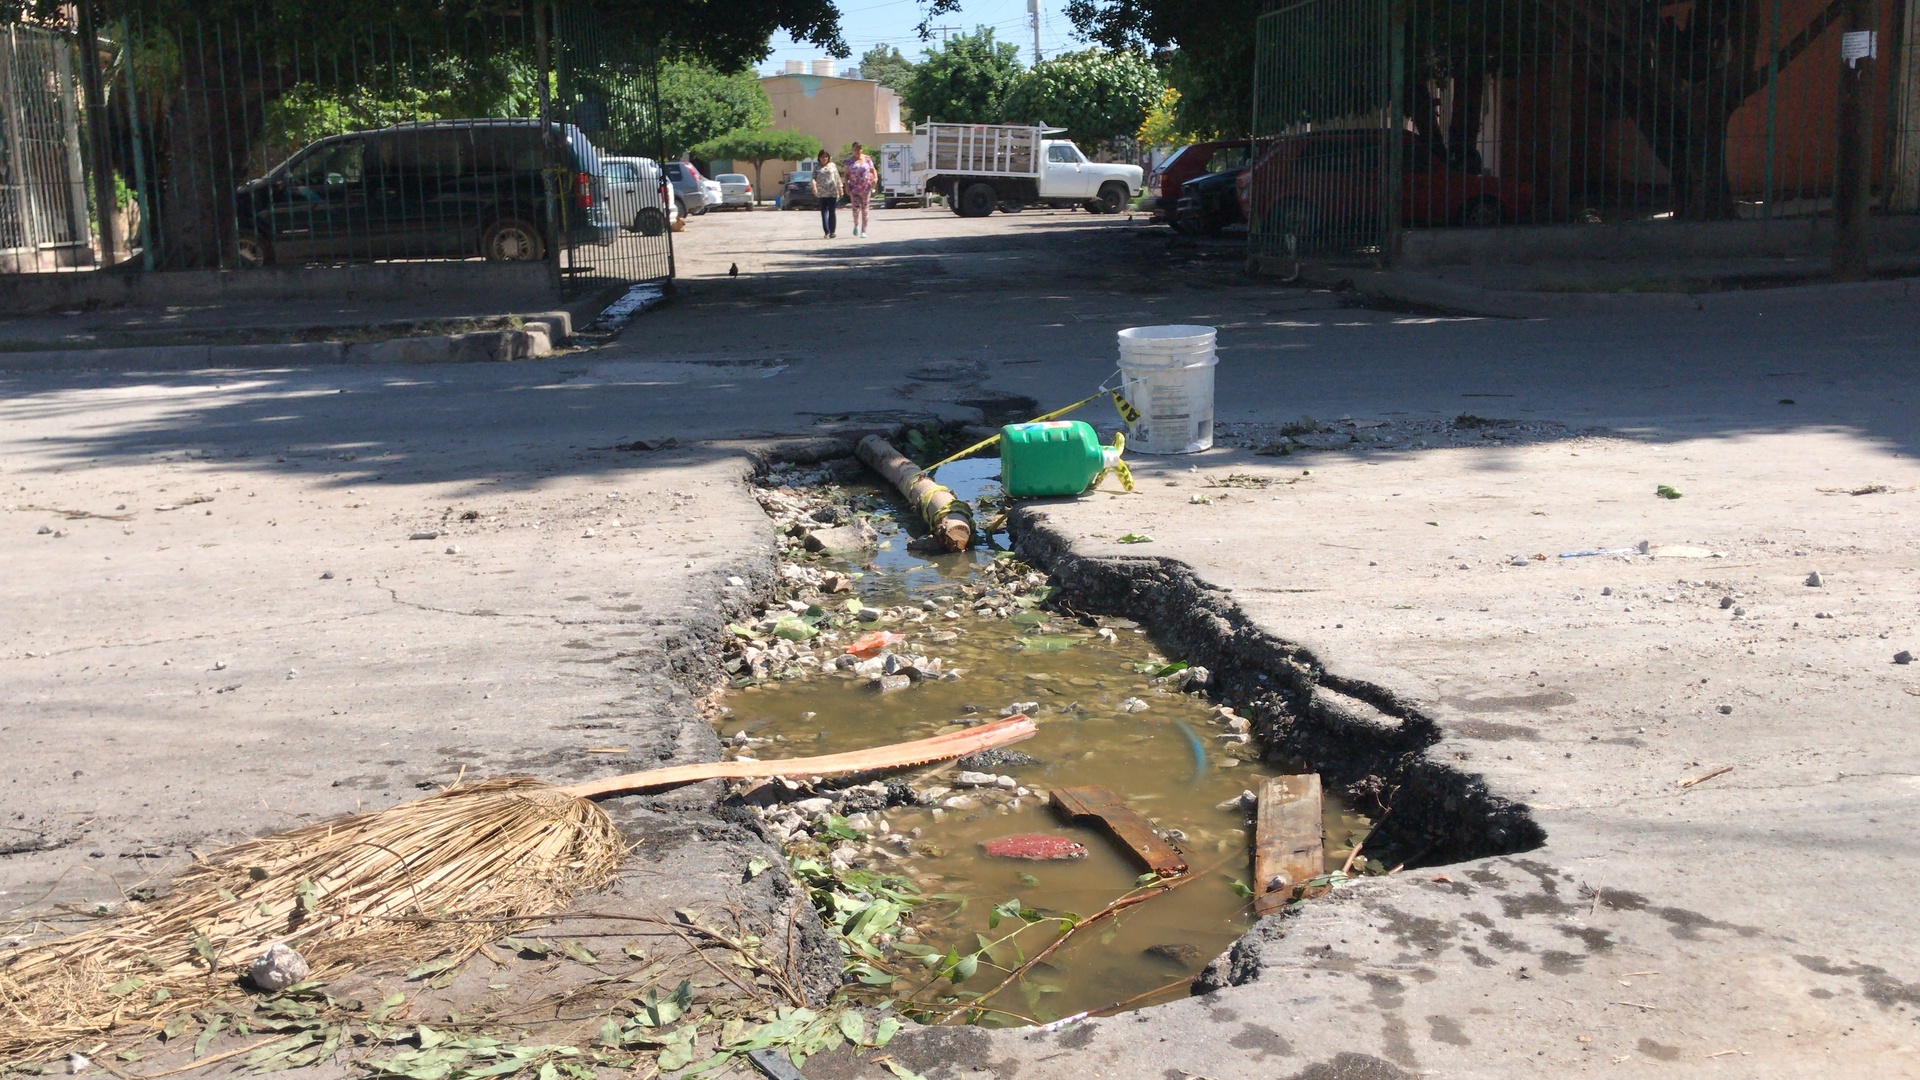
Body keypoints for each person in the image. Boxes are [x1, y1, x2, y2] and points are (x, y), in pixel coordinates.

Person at [845, 142, 876, 238]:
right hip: (854, 187)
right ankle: (856, 224)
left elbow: (873, 170)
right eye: (855, 149)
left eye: (859, 149)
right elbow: (846, 175)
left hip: (866, 187)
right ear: (852, 149)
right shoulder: (849, 161)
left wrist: (875, 179)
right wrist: (846, 186)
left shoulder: (867, 159)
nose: (857, 151)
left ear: (861, 149)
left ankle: (864, 231)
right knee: (855, 209)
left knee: (865, 210)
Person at [808, 150, 842, 238]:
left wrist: (840, 188)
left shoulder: (832, 165)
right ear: (819, 158)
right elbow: (813, 178)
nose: (824, 158)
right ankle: (826, 231)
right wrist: (814, 186)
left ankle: (832, 232)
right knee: (824, 212)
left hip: (832, 191)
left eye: (826, 157)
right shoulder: (817, 167)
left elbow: (837, 177)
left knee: (832, 212)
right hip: (822, 193)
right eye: (822, 157)